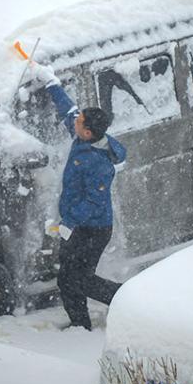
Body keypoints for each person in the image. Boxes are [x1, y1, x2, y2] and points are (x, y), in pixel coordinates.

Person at [28, 63, 127, 330]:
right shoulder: (86, 138)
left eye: (79, 122)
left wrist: (69, 223)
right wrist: (52, 84)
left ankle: (126, 298)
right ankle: (80, 326)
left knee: (79, 279)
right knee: (68, 279)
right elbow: (68, 110)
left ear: (87, 132)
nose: (75, 120)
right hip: (79, 226)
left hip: (92, 230)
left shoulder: (98, 162)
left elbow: (95, 202)